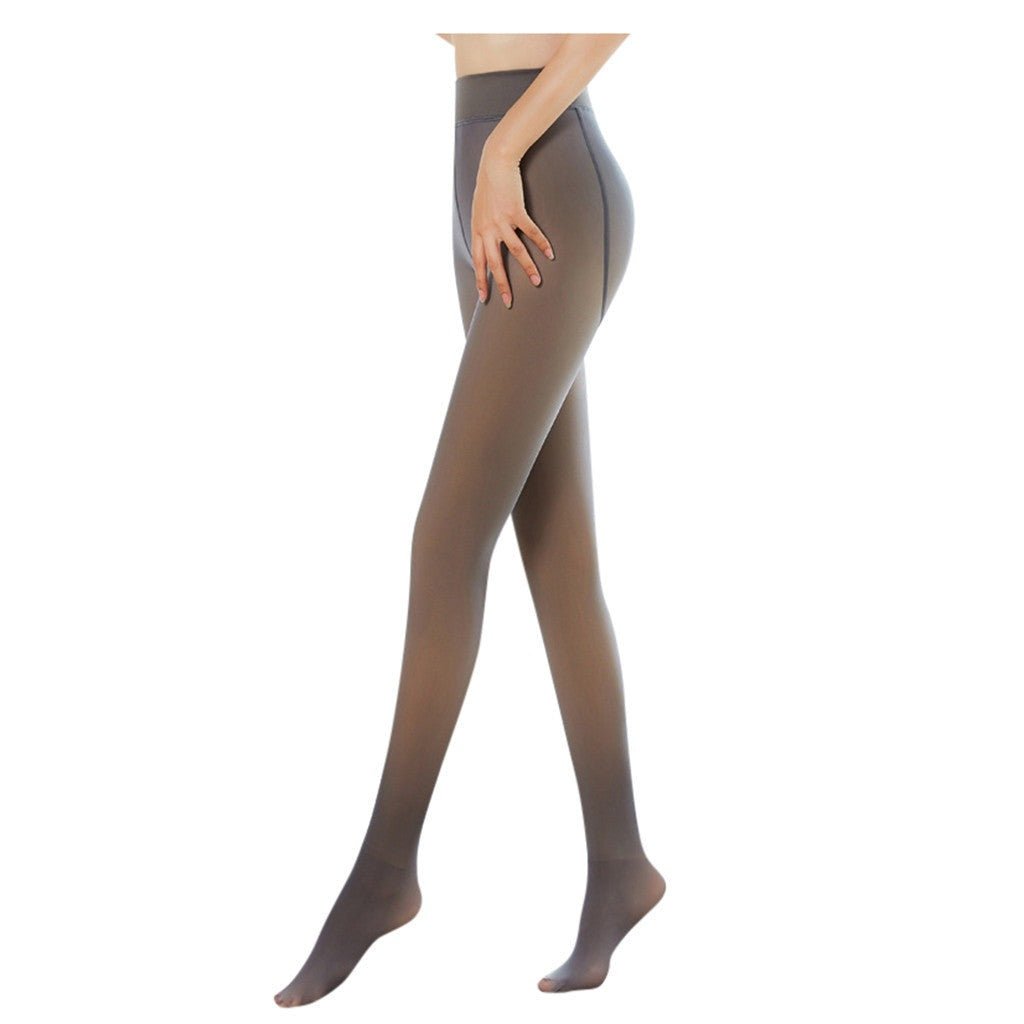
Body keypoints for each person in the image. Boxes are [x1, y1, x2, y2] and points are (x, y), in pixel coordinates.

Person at [274, 33, 664, 1005]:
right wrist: (487, 156)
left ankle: (384, 871)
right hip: (485, 170)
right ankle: (621, 862)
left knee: (446, 541)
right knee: (556, 552)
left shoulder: (515, 152)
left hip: (541, 177)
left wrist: (503, 150)